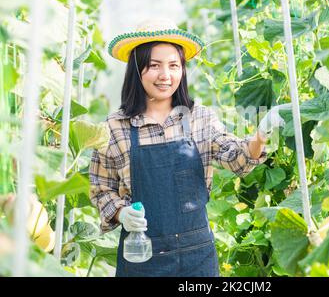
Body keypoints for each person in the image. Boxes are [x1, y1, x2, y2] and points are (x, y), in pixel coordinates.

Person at [89, 18, 290, 277]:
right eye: (154, 66)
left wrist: (259, 138)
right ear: (137, 71)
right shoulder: (114, 127)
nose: (166, 75)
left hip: (197, 258)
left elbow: (235, 158)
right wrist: (120, 212)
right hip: (142, 256)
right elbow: (100, 188)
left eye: (174, 66)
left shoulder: (199, 118)